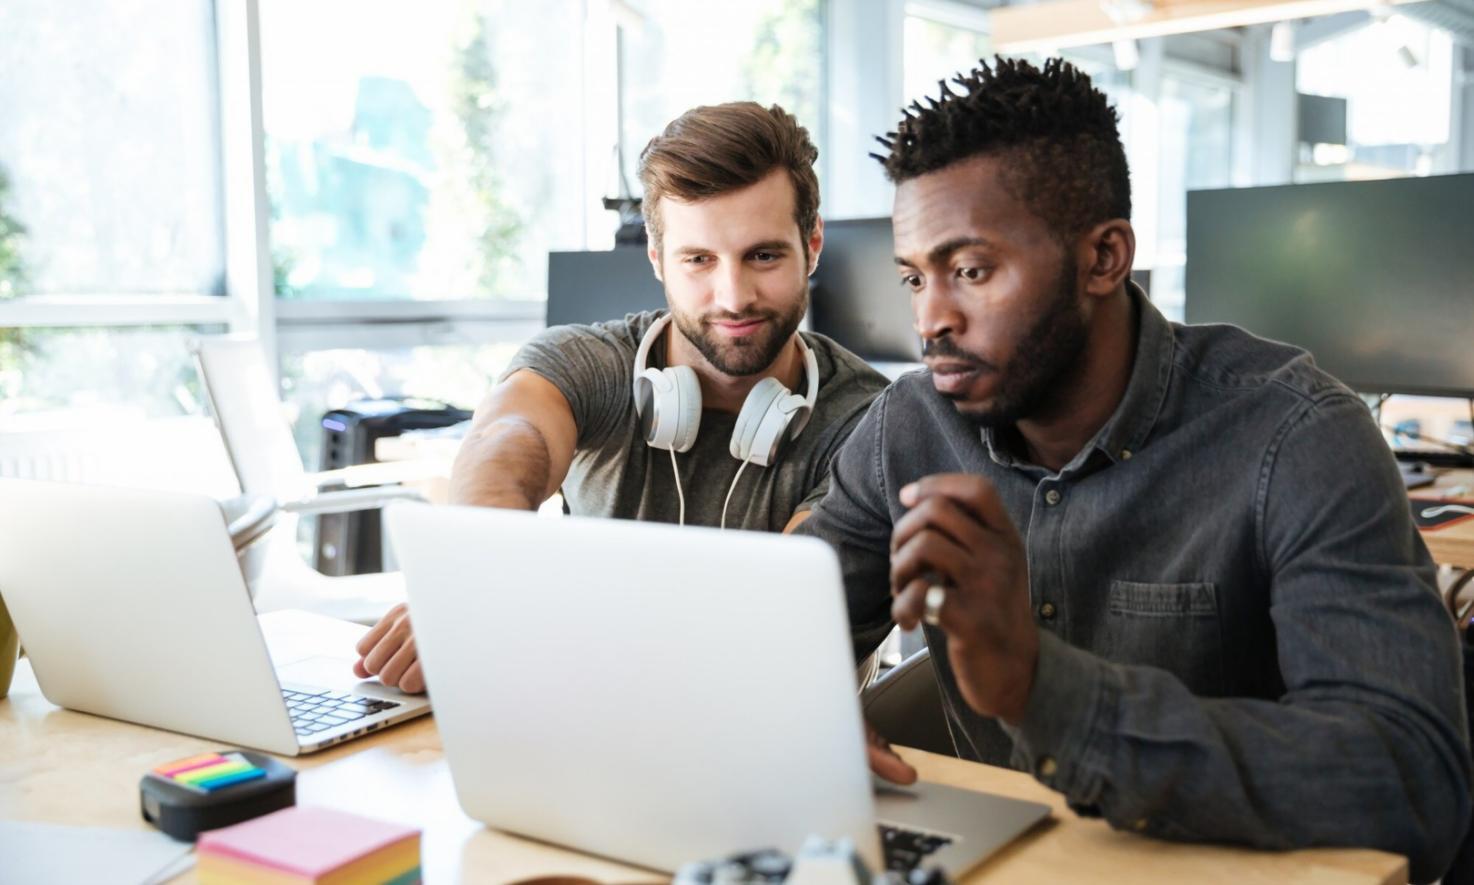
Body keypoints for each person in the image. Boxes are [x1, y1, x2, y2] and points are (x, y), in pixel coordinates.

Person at [798, 57, 1471, 881]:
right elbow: (788, 626)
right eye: (914, 277)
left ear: (1105, 256)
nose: (930, 318)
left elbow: (1412, 783)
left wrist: (1043, 688)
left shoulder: (1297, 436)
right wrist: (789, 717)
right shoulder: (911, 423)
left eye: (970, 270)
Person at [354, 101, 888, 694]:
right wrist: (469, 583)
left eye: (762, 256)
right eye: (699, 260)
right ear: (658, 260)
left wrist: (524, 610)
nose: (733, 296)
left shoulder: (870, 418)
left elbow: (775, 617)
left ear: (811, 246)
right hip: (587, 708)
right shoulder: (588, 362)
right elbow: (507, 441)